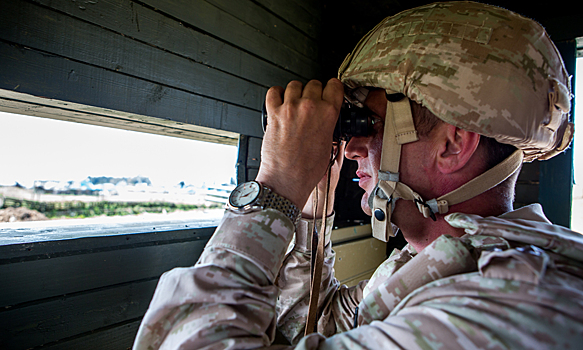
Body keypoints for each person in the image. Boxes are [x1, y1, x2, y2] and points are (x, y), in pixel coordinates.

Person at [133, 2, 583, 349]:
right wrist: (311, 209)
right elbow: (312, 324)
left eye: (368, 125)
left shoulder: (498, 307)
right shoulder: (438, 262)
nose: (350, 149)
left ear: (451, 145)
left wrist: (272, 190)